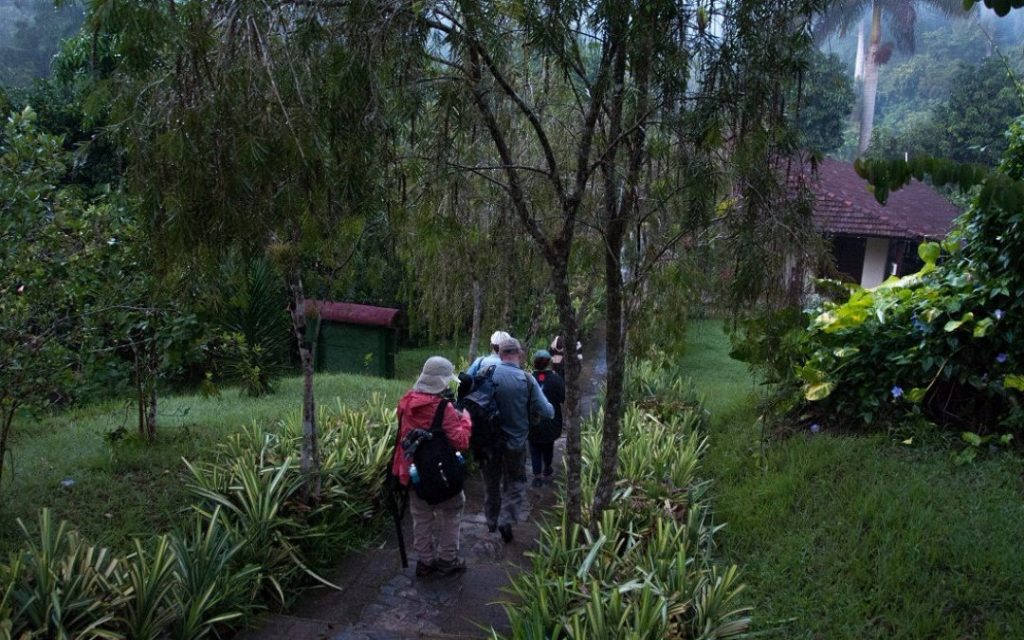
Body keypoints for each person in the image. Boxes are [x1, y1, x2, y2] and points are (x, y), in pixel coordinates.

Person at [391, 356, 472, 578]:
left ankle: (425, 562)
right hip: (440, 472)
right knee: (453, 509)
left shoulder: (406, 401)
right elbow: (460, 442)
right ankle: (447, 559)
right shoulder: (443, 408)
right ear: (442, 381)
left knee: (421, 516)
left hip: (413, 471)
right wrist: (465, 420)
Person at [484, 337, 553, 543]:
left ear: (499, 353)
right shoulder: (527, 379)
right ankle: (506, 519)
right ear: (520, 354)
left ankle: (491, 521)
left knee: (491, 483)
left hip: (488, 443)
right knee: (515, 482)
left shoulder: (485, 374)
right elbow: (547, 412)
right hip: (515, 443)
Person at [529, 350, 564, 488]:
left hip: (533, 421)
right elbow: (562, 398)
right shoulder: (556, 379)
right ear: (549, 362)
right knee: (548, 445)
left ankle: (537, 476)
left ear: (534, 363)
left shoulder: (528, 379)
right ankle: (547, 468)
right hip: (551, 421)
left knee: (534, 447)